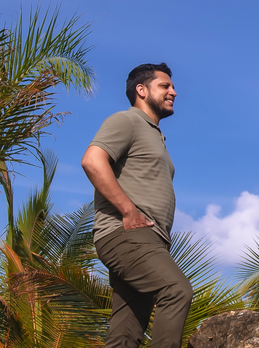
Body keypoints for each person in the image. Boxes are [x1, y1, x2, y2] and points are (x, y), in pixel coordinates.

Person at [81, 63, 193, 348]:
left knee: (126, 333)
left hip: (149, 241)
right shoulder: (126, 121)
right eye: (165, 86)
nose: (174, 92)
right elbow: (93, 161)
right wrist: (129, 211)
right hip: (128, 236)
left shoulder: (154, 135)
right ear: (141, 91)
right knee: (176, 290)